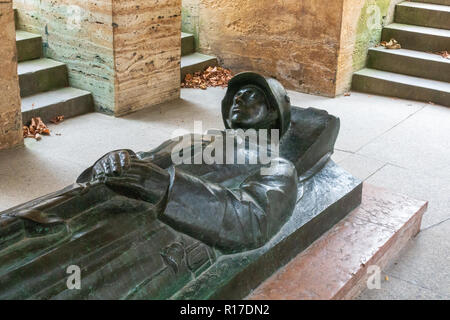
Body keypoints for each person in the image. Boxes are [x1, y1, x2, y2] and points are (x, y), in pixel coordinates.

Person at [0, 72, 339, 299]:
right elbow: (143, 158)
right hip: (88, 203)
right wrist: (115, 160)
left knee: (41, 279)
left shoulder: (276, 165)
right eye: (233, 95)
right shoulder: (196, 138)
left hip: (145, 233)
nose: (237, 98)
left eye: (250, 95)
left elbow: (252, 220)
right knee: (16, 234)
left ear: (273, 115)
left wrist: (166, 188)